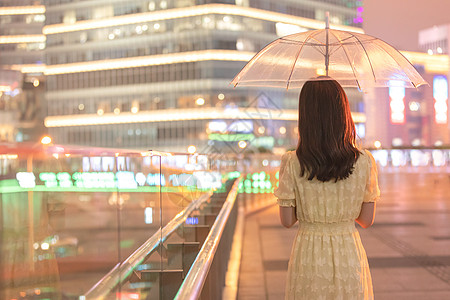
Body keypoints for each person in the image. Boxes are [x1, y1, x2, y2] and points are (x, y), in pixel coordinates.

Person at [274, 78, 380, 300]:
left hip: (308, 256)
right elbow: (366, 220)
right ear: (343, 112)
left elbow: (287, 220)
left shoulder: (293, 162)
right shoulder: (364, 161)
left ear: (306, 116)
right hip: (348, 254)